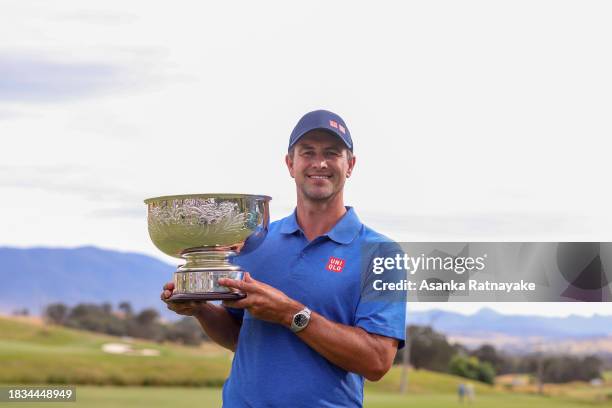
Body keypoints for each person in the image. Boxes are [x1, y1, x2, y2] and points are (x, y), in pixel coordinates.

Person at [161, 109, 406, 407]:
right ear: (290, 163)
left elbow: (377, 361)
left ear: (350, 165)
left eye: (332, 153)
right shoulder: (252, 242)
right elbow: (241, 337)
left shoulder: (383, 254)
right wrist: (200, 309)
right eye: (308, 152)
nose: (320, 163)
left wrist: (291, 314)